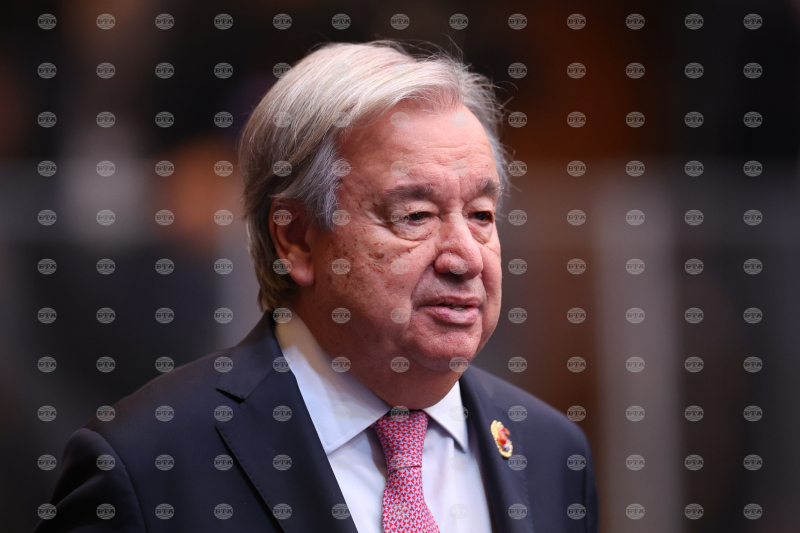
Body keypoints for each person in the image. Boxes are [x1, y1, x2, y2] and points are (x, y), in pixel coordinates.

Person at [35, 40, 598, 532]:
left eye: (481, 215)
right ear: (297, 240)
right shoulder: (149, 464)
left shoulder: (550, 452)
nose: (466, 258)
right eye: (416, 216)